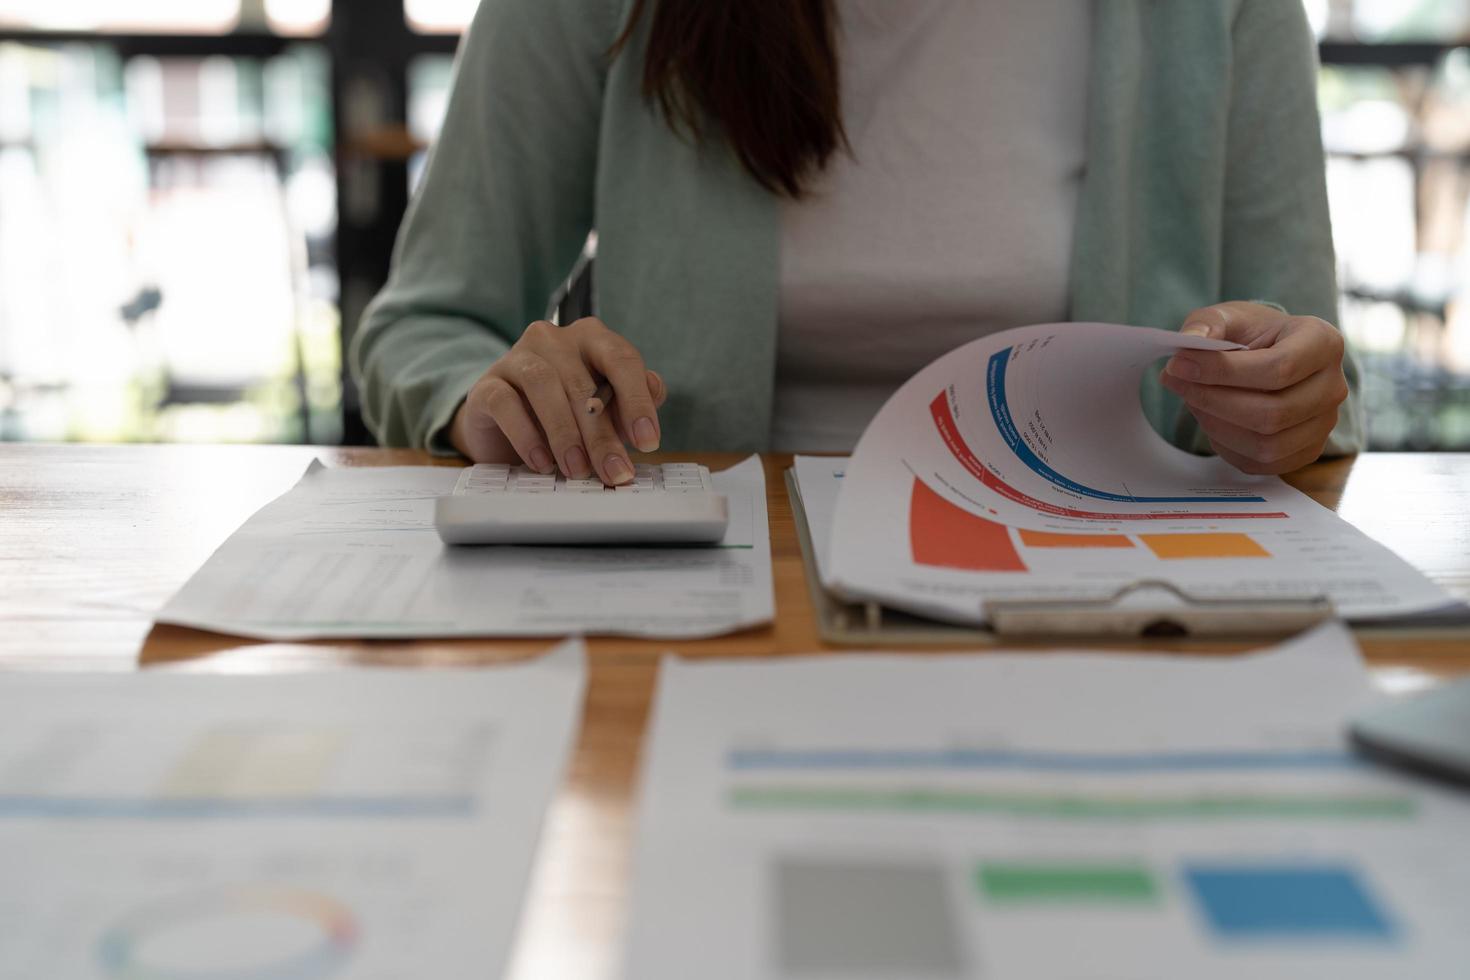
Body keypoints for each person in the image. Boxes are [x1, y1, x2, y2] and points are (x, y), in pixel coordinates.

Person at [352, 0, 1361, 487]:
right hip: (705, 602)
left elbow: (1316, 380)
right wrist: (495, 398)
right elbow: (429, 326)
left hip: (1105, 590)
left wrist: (1280, 399)